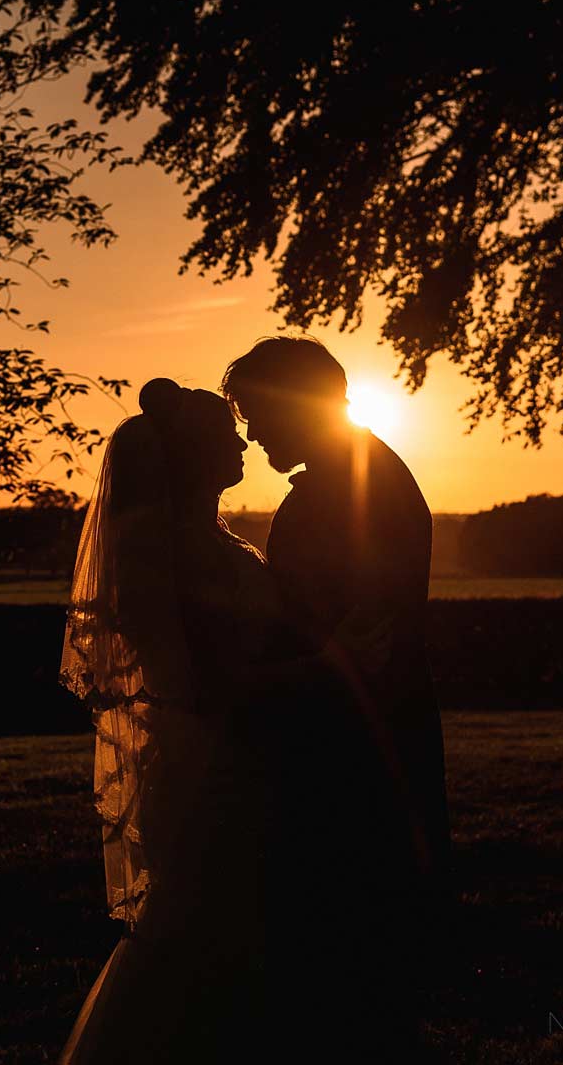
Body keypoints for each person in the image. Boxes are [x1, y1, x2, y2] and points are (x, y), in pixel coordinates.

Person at [56, 377, 310, 1064]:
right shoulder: (159, 549)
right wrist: (320, 670)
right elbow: (187, 683)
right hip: (207, 769)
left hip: (241, 762)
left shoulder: (210, 539)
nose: (242, 442)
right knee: (198, 936)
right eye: (226, 434)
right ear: (193, 453)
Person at [220, 335, 453, 1055]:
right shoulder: (356, 475)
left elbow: (355, 643)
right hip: (356, 738)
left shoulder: (353, 489)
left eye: (259, 413)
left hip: (355, 753)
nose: (252, 434)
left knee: (352, 968)